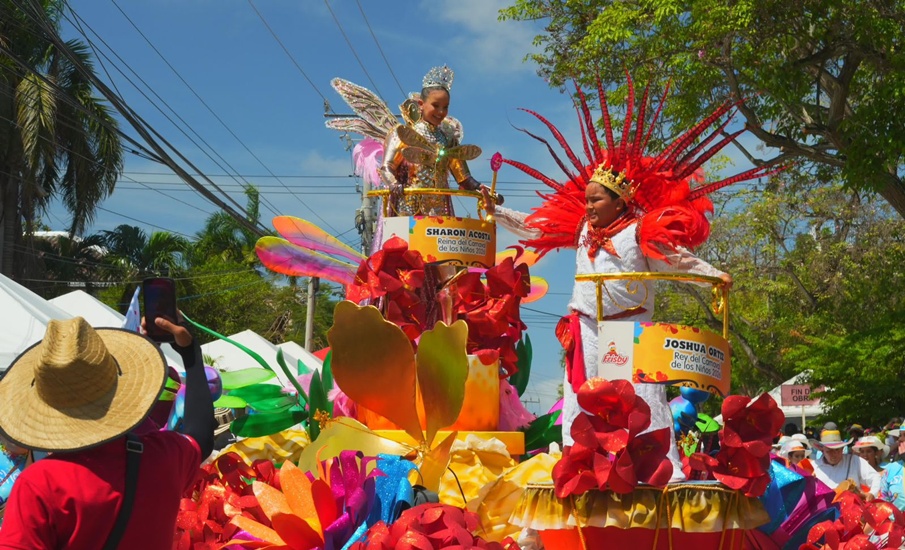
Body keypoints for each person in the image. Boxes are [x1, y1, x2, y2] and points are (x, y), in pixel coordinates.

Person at [0, 315, 215, 549]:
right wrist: (190, 353)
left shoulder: (40, 484)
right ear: (117, 388)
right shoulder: (162, 456)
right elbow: (201, 435)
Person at [379, 65, 483, 216]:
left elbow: (465, 179)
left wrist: (485, 190)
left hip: (440, 210)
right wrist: (394, 184)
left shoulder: (448, 139)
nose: (441, 112)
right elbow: (387, 167)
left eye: (445, 107)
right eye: (436, 105)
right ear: (421, 104)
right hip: (408, 208)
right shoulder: (404, 134)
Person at [812, 429, 880, 499]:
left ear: (842, 448)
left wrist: (872, 493)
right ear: (822, 450)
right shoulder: (813, 467)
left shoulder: (854, 461)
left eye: (837, 449)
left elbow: (875, 477)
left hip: (852, 508)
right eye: (829, 451)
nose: (834, 454)